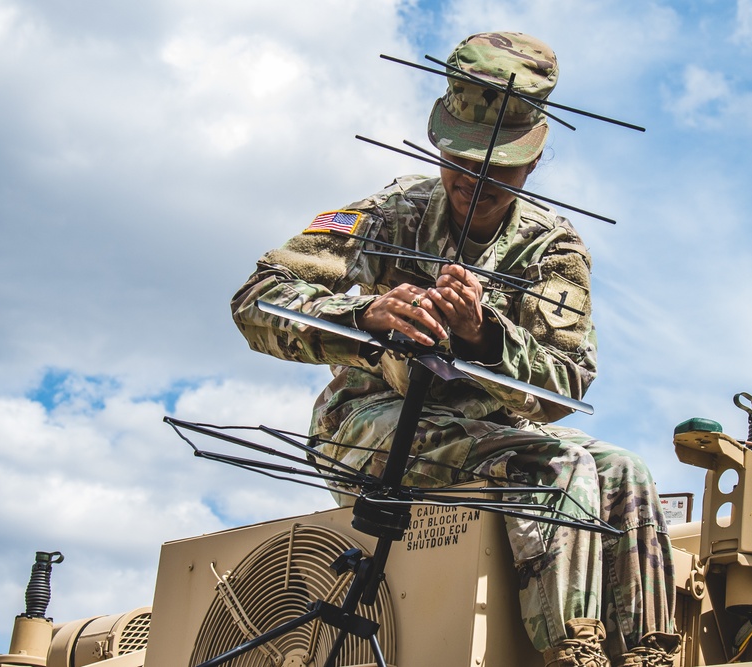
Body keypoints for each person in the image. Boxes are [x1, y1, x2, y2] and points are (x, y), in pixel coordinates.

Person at [231, 31, 679, 667]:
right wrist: (365, 314)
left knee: (626, 473)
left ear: (531, 164)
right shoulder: (393, 212)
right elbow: (257, 299)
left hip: (493, 431)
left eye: (498, 171)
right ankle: (574, 653)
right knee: (554, 471)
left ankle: (647, 652)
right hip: (369, 422)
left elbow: (567, 384)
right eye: (461, 163)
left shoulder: (551, 250)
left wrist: (485, 336)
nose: (476, 182)